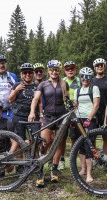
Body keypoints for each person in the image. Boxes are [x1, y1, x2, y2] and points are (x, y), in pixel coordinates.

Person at [28, 59, 69, 187]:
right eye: (52, 70)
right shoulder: (43, 84)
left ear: (59, 71)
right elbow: (35, 99)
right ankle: (40, 171)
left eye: (56, 70)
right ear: (48, 71)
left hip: (62, 116)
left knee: (58, 144)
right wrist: (32, 112)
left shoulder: (64, 83)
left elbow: (67, 99)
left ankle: (54, 170)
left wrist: (72, 104)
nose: (54, 72)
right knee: (44, 143)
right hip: (48, 117)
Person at [74, 67, 100, 183]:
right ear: (80, 77)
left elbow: (96, 105)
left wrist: (89, 118)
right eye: (83, 76)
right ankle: (83, 169)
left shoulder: (94, 88)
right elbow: (75, 106)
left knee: (88, 145)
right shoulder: (77, 90)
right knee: (80, 145)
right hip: (79, 119)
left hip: (90, 119)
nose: (85, 79)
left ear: (91, 78)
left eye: (88, 77)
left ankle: (89, 173)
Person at [9, 63, 41, 140]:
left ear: (33, 74)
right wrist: (16, 90)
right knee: (19, 140)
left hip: (33, 116)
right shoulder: (17, 85)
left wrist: (41, 116)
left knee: (36, 140)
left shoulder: (37, 86)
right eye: (25, 73)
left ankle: (33, 152)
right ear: (21, 74)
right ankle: (22, 152)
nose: (27, 74)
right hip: (19, 115)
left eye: (30, 72)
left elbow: (40, 102)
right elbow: (10, 100)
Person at [58, 61, 81, 170]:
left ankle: (73, 160)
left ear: (75, 69)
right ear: (64, 71)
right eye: (67, 69)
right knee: (62, 138)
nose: (70, 70)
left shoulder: (80, 81)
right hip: (63, 112)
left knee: (74, 137)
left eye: (72, 68)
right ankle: (61, 159)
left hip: (76, 112)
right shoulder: (62, 81)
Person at [91, 58, 107, 170]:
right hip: (94, 112)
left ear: (104, 66)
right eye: (97, 65)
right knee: (92, 137)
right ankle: (95, 158)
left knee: (106, 136)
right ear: (94, 68)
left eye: (101, 65)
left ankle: (105, 158)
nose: (100, 67)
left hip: (105, 111)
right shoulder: (91, 80)